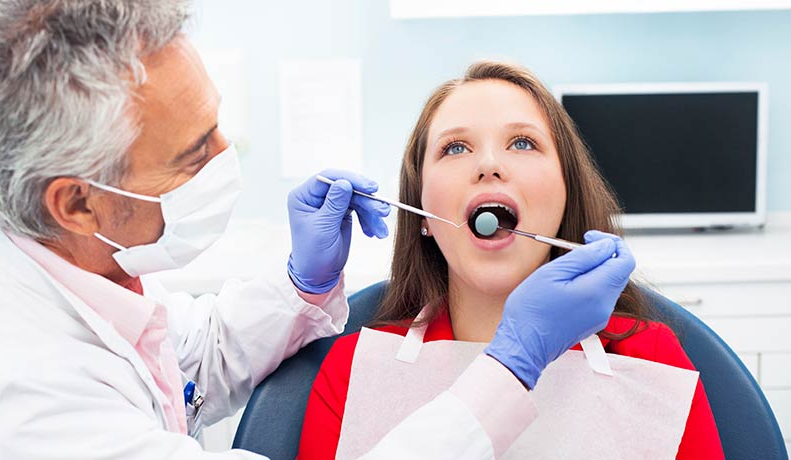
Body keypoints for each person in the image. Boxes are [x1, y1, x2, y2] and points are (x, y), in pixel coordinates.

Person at [0, 2, 638, 459]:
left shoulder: (75, 276)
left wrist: (303, 283)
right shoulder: (18, 403)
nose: (225, 158)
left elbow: (194, 357)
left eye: (523, 144)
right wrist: (515, 363)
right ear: (77, 205)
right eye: (193, 152)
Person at [298, 61, 725, 459]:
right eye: (455, 147)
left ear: (565, 195)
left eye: (522, 142)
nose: (488, 164)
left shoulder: (650, 359)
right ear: (423, 214)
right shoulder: (355, 370)